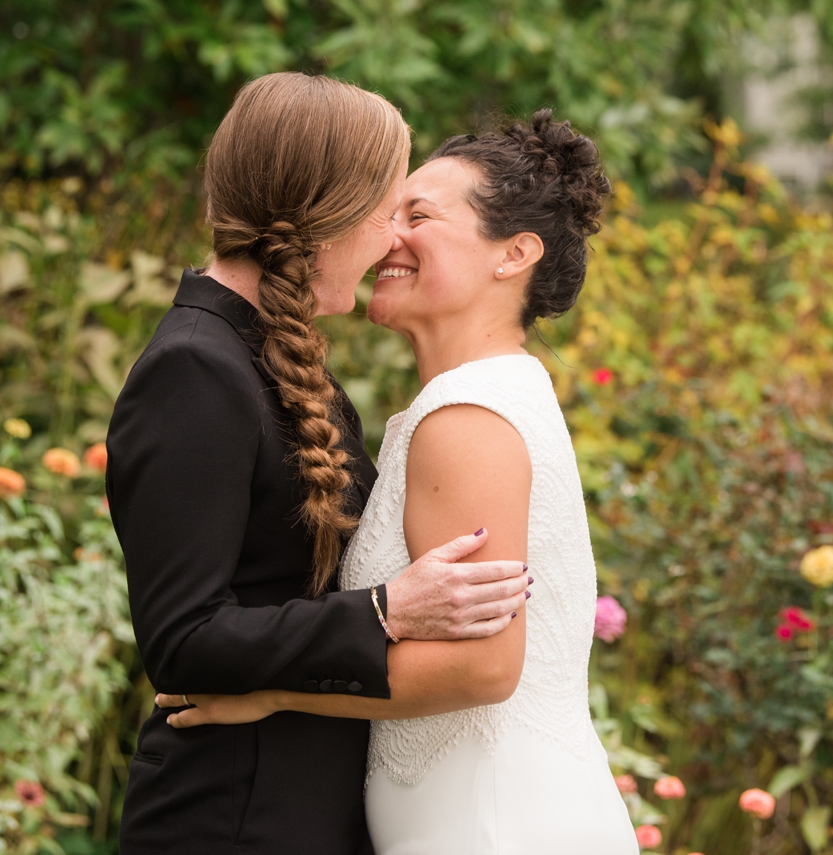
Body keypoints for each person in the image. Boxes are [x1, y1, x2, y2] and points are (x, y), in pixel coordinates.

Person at [156, 110, 639, 855]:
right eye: (389, 212)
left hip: (490, 824)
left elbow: (483, 663)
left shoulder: (468, 414)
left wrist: (271, 692)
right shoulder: (474, 399)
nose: (388, 235)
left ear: (513, 254)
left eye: (419, 215)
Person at [106, 73, 531, 855]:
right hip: (228, 819)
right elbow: (182, 639)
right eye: (384, 212)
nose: (389, 241)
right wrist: (383, 611)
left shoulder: (272, 357)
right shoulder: (194, 369)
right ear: (328, 216)